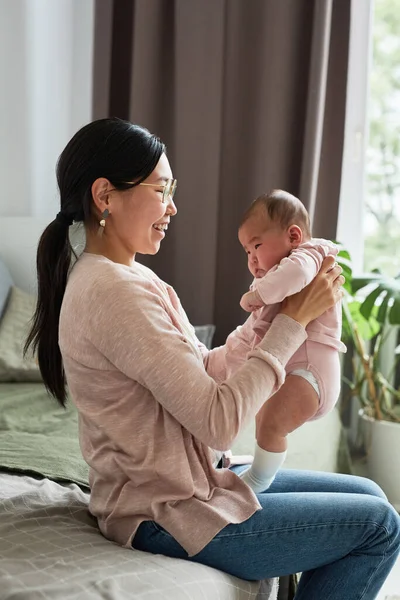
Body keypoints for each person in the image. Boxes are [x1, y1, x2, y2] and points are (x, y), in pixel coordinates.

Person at [25, 118, 400, 599]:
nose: (172, 206)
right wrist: (293, 324)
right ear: (105, 196)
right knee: (379, 525)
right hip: (165, 510)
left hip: (196, 482)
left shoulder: (134, 279)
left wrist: (261, 325)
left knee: (369, 494)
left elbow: (203, 370)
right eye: (162, 189)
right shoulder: (111, 292)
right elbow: (218, 422)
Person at [236, 190, 347, 493]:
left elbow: (293, 275)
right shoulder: (280, 274)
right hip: (296, 371)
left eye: (256, 245)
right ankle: (259, 472)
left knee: (272, 421)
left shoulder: (311, 254)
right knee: (263, 417)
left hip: (311, 372)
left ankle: (258, 481)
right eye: (246, 252)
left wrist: (256, 295)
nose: (252, 259)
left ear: (294, 236)